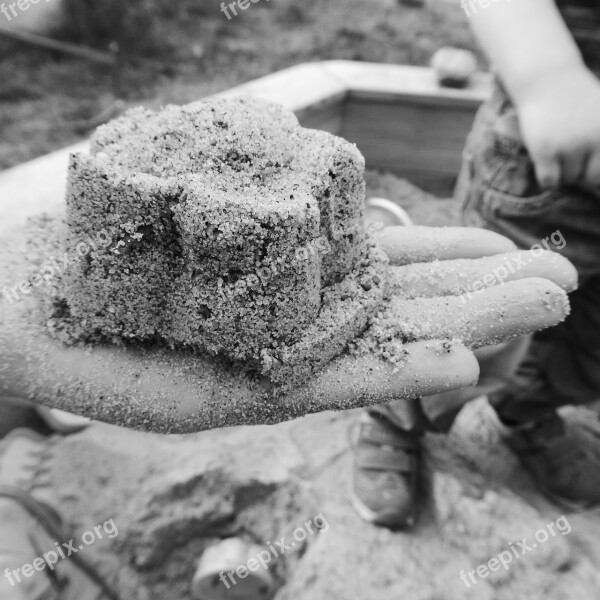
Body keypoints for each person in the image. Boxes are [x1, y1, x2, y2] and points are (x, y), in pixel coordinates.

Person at [351, 0, 600, 528]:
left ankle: (528, 409)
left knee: (582, 332)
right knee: (479, 319)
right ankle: (397, 416)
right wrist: (547, 76)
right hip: (552, 168)